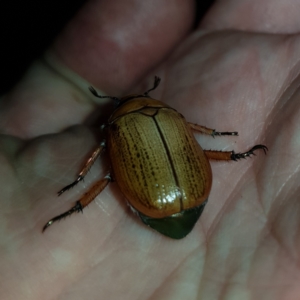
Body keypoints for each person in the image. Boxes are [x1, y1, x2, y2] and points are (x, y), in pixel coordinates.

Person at [0, 0, 297, 299]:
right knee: (186, 153)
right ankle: (235, 155)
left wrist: (79, 178)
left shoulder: (116, 128)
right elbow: (195, 129)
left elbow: (95, 156)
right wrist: (216, 134)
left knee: (106, 178)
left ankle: (78, 202)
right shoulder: (172, 116)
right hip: (191, 190)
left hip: (161, 199)